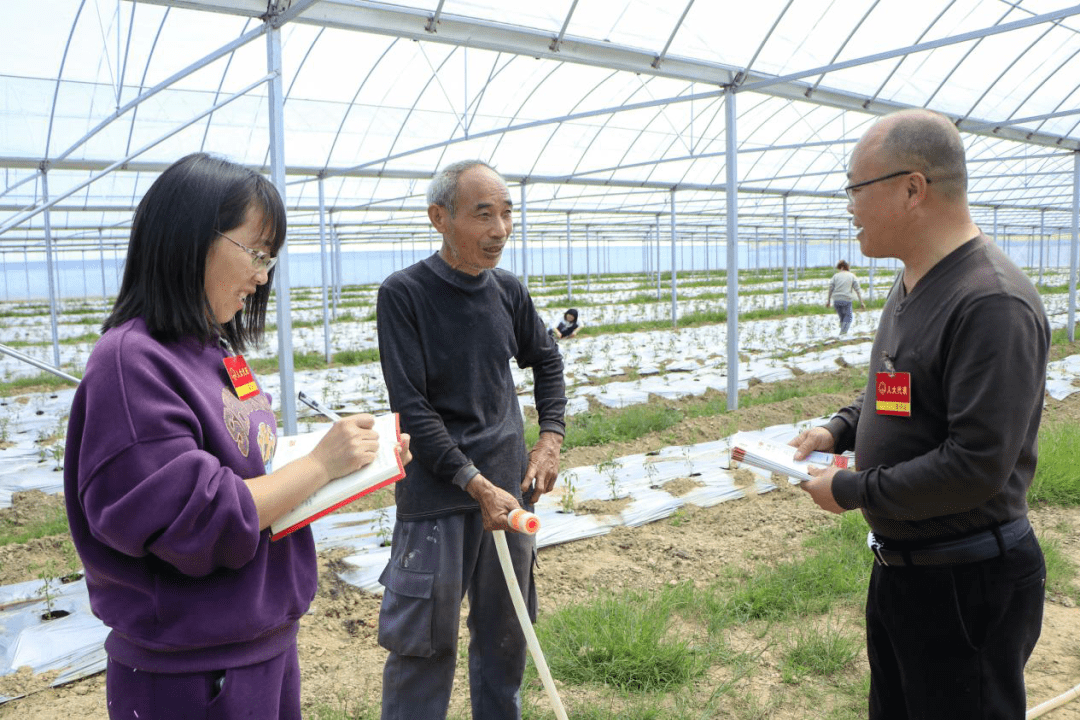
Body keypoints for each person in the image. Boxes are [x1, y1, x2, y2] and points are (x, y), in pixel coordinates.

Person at [64, 153, 410, 720]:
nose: (263, 275)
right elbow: (200, 518)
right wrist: (319, 465)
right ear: (190, 239)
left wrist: (351, 467)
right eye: (256, 252)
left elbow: (255, 476)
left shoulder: (214, 350)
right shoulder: (131, 363)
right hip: (193, 674)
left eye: (270, 258)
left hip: (259, 647)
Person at [789, 109, 1048, 720]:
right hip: (906, 571)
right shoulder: (912, 283)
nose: (849, 206)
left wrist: (851, 489)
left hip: (966, 582)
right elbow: (894, 389)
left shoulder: (990, 301)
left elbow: (975, 466)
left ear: (912, 189)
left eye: (856, 187)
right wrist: (839, 428)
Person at [375, 160, 567, 720]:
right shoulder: (404, 294)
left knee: (506, 639)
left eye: (507, 214)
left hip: (509, 495)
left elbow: (547, 361)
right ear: (439, 218)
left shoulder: (507, 291)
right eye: (484, 215)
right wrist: (473, 482)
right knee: (423, 647)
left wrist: (549, 439)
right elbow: (412, 407)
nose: (500, 229)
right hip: (439, 499)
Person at [825, 260, 865, 333]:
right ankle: (843, 334)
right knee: (848, 318)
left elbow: (830, 288)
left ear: (841, 267)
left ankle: (842, 333)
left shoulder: (835, 276)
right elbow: (857, 289)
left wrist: (828, 301)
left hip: (836, 300)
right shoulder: (852, 276)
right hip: (846, 300)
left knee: (842, 318)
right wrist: (861, 302)